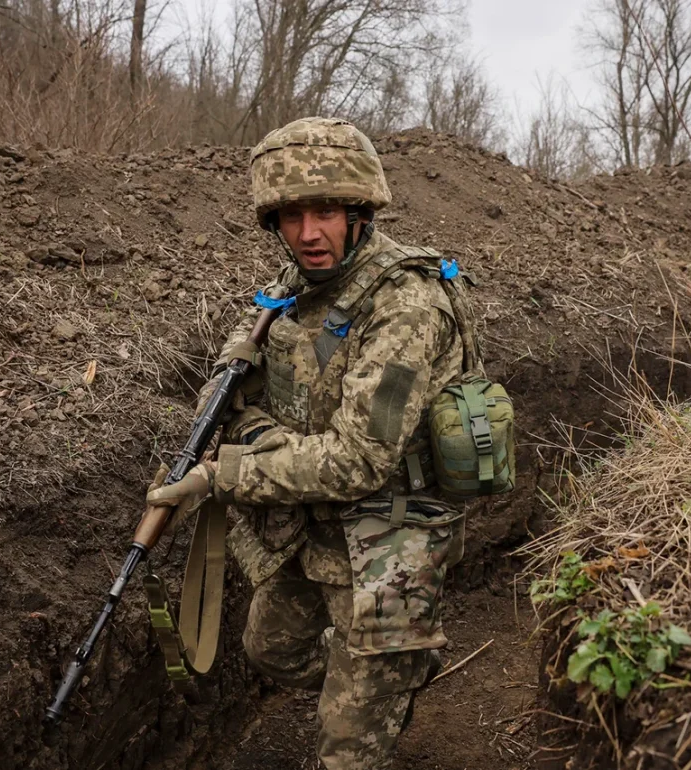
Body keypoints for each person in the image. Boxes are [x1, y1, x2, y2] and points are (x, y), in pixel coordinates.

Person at [145, 117, 475, 769]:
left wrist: (222, 475)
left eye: (324, 212)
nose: (308, 233)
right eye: (291, 216)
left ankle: (381, 682)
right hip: (313, 525)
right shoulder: (289, 290)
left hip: (389, 536)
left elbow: (359, 460)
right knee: (273, 651)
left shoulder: (407, 307)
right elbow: (229, 386)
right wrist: (246, 430)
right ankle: (385, 679)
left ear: (358, 213)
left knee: (344, 750)